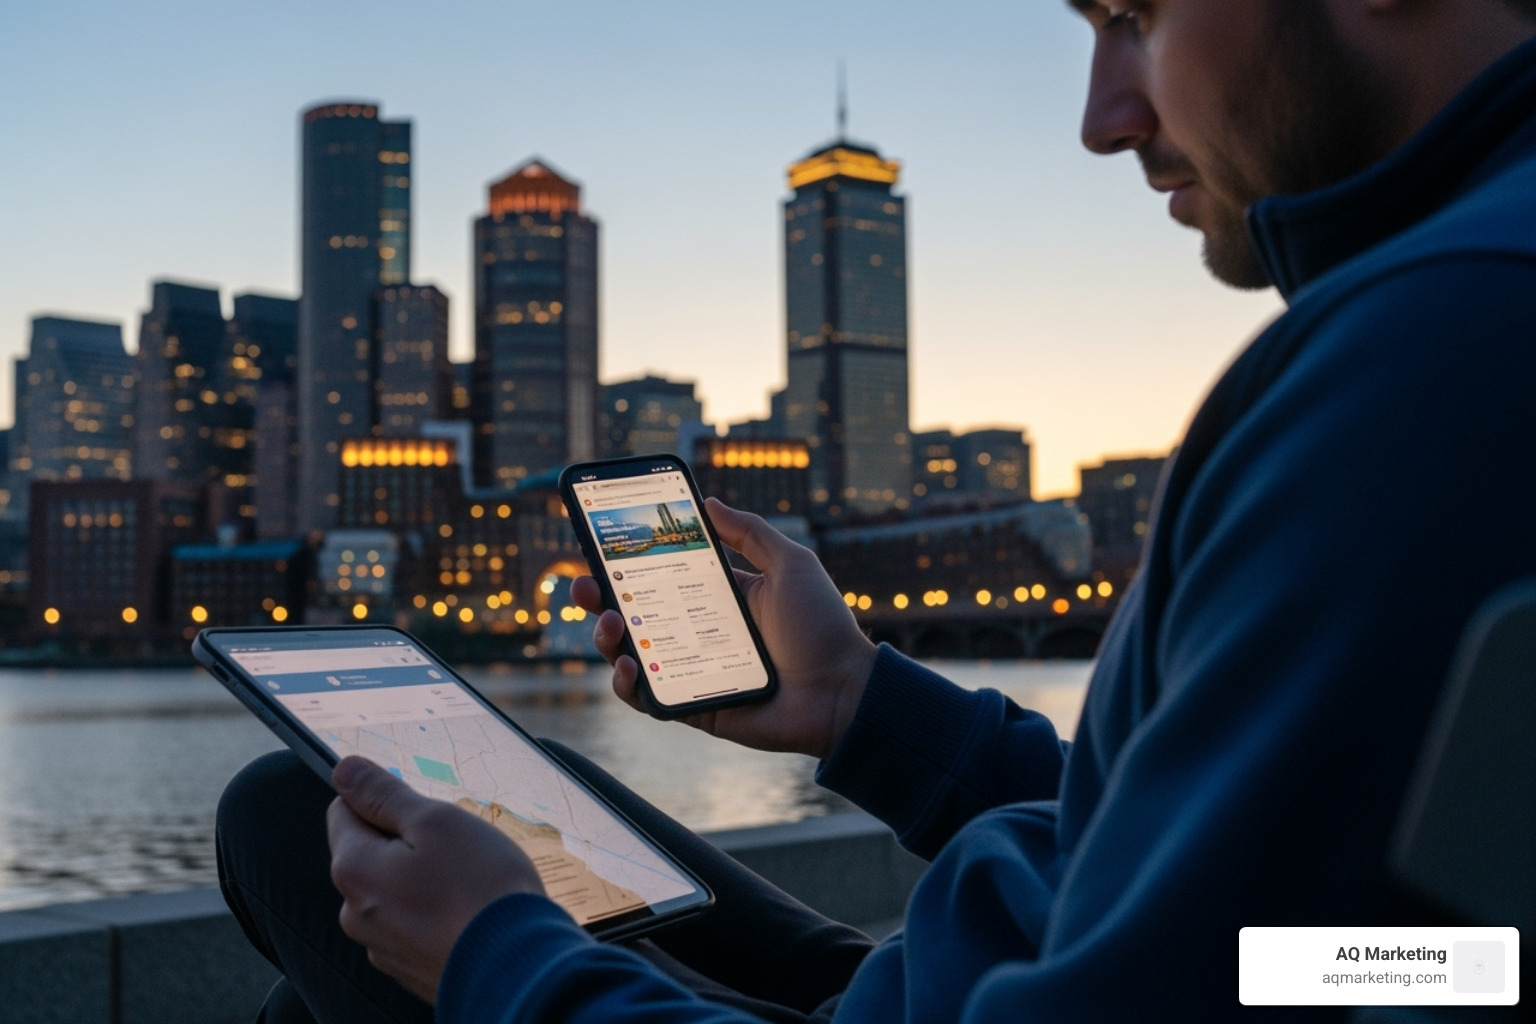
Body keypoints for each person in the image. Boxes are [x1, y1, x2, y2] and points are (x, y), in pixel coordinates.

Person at [217, 0, 1536, 1020]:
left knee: (299, 824)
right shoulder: (1452, 313)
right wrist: (861, 705)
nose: (1100, 115)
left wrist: (507, 969)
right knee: (457, 839)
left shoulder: (1425, 356)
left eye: (1135, 16)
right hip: (1008, 957)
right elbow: (1348, 941)